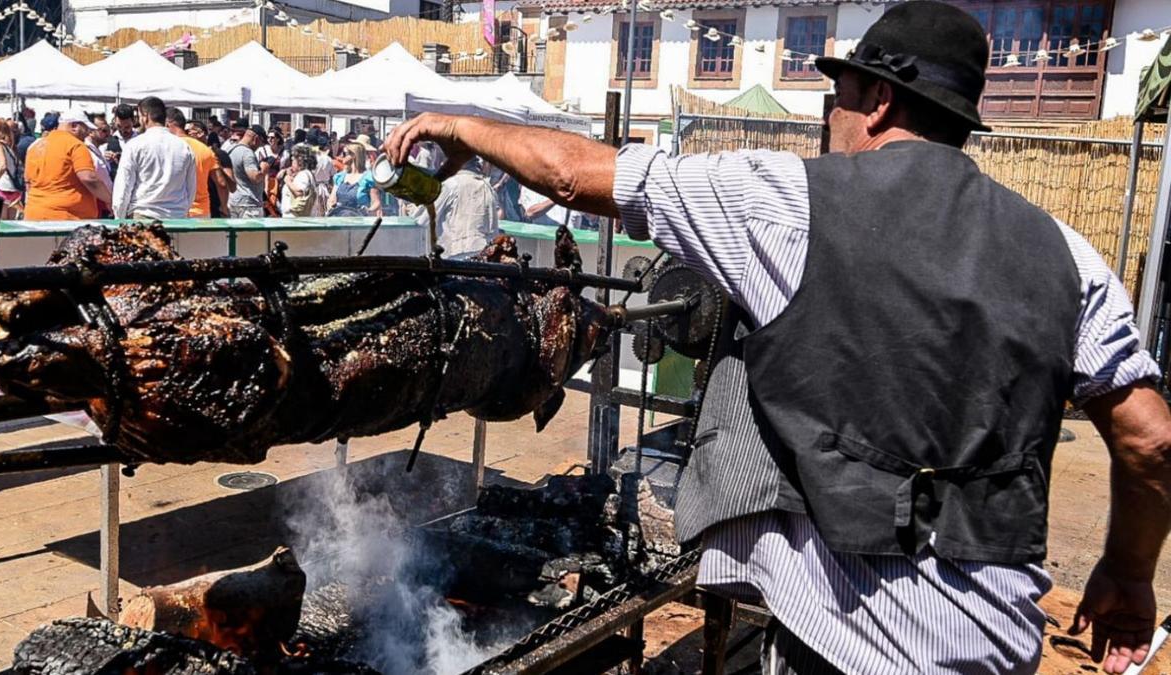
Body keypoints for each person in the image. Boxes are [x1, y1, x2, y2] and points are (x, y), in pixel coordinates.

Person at [383, 4, 1171, 674]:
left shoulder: (786, 203)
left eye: (840, 91)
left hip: (841, 647)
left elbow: (576, 174)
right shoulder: (1070, 256)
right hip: (996, 645)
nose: (830, 113)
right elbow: (1150, 439)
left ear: (879, 102)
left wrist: (462, 127)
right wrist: (1130, 572)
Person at [111, 97, 196, 220]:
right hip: (177, 217)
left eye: (139, 116)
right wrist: (182, 210)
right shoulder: (184, 146)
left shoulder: (135, 145)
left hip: (144, 216)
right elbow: (190, 188)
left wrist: (119, 219)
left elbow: (123, 188)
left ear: (145, 117)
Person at [24, 109, 112, 221]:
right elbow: (89, 178)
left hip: (34, 213)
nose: (87, 133)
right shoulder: (76, 145)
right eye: (86, 129)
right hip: (66, 218)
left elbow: (28, 183)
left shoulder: (36, 146)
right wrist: (110, 200)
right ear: (74, 126)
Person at [410, 157, 498, 258]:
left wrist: (412, 206)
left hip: (454, 254)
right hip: (482, 254)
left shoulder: (450, 185)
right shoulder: (487, 187)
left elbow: (423, 220)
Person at [167, 109, 227, 219]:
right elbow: (221, 183)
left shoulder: (167, 147)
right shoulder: (204, 149)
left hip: (172, 209)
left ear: (168, 124)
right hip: (201, 211)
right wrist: (224, 207)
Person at [189, 122, 236, 218]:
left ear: (201, 133)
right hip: (193, 210)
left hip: (215, 210)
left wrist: (218, 168)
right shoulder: (186, 153)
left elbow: (232, 186)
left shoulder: (218, 154)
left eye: (188, 132)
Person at [227, 123, 268, 219]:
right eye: (261, 143)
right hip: (249, 206)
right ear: (256, 139)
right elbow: (255, 177)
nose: (259, 146)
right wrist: (264, 169)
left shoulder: (230, 149)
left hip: (233, 201)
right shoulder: (247, 153)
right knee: (251, 234)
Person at [327, 142, 380, 216]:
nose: (341, 156)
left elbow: (376, 202)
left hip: (358, 221)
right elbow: (332, 199)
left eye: (345, 154)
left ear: (354, 155)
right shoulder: (340, 177)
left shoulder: (368, 178)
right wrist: (330, 205)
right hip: (338, 219)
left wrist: (368, 210)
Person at [0, 118, 22, 218]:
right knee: (10, 226)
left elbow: (2, 165)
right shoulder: (10, 147)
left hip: (2, 187)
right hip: (13, 188)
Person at [84, 112, 115, 218]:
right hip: (99, 205)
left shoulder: (97, 150)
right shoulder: (87, 151)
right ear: (91, 131)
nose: (108, 134)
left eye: (108, 130)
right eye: (104, 130)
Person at [280, 145, 317, 218]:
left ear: (300, 160)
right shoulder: (304, 174)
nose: (291, 162)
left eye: (293, 159)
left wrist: (288, 181)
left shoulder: (303, 175)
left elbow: (299, 192)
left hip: (296, 219)